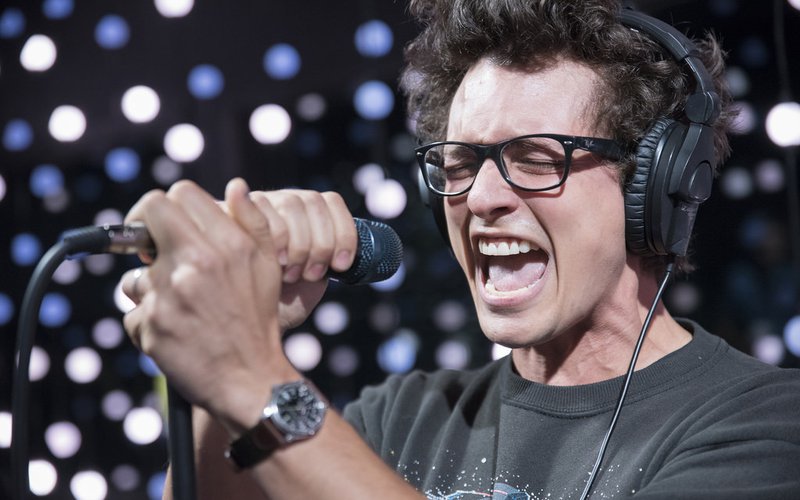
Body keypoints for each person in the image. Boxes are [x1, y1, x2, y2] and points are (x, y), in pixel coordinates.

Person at [120, 0, 800, 498]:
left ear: (654, 186)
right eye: (460, 162)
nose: (479, 197)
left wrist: (252, 375)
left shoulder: (765, 424)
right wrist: (232, 353)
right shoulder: (401, 416)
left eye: (536, 158)